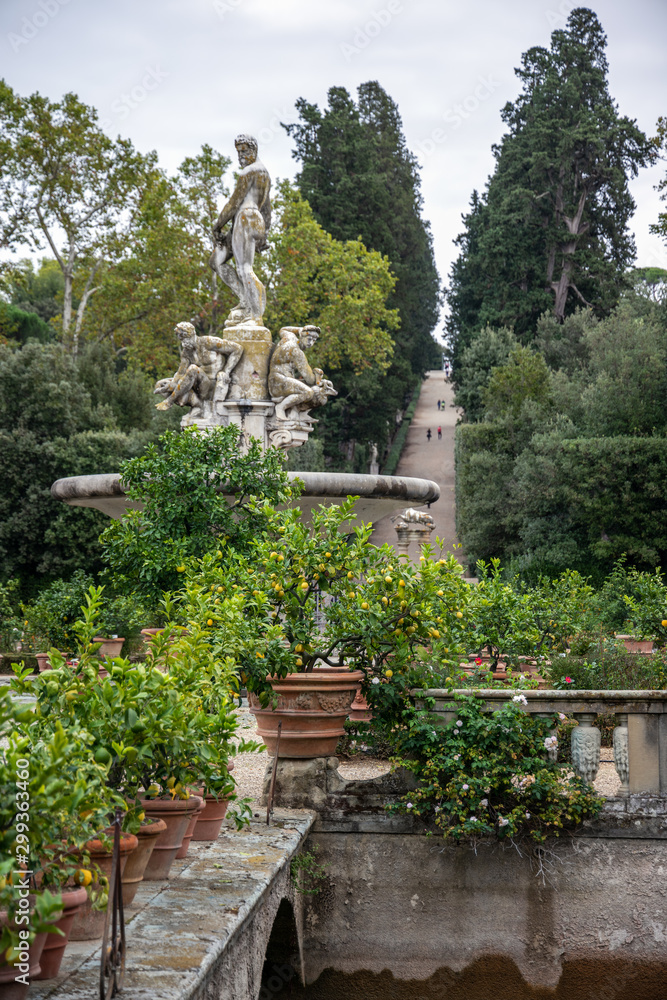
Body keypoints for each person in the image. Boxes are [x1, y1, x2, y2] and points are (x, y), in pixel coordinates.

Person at [210, 134, 272, 324]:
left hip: (246, 218)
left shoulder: (249, 172)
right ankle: (245, 300)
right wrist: (265, 233)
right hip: (252, 220)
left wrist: (217, 225)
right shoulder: (265, 173)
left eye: (244, 151)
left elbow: (234, 203)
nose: (241, 156)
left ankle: (256, 315)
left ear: (254, 150)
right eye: (238, 152)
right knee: (216, 261)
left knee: (244, 268)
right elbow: (268, 208)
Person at [154, 322, 243, 417]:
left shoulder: (208, 342)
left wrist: (226, 371)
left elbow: (237, 349)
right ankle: (198, 406)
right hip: (197, 387)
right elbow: (180, 374)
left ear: (191, 334)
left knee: (193, 369)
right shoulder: (186, 352)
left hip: (211, 384)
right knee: (160, 384)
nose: (183, 342)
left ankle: (169, 401)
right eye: (181, 339)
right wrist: (171, 385)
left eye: (185, 338)